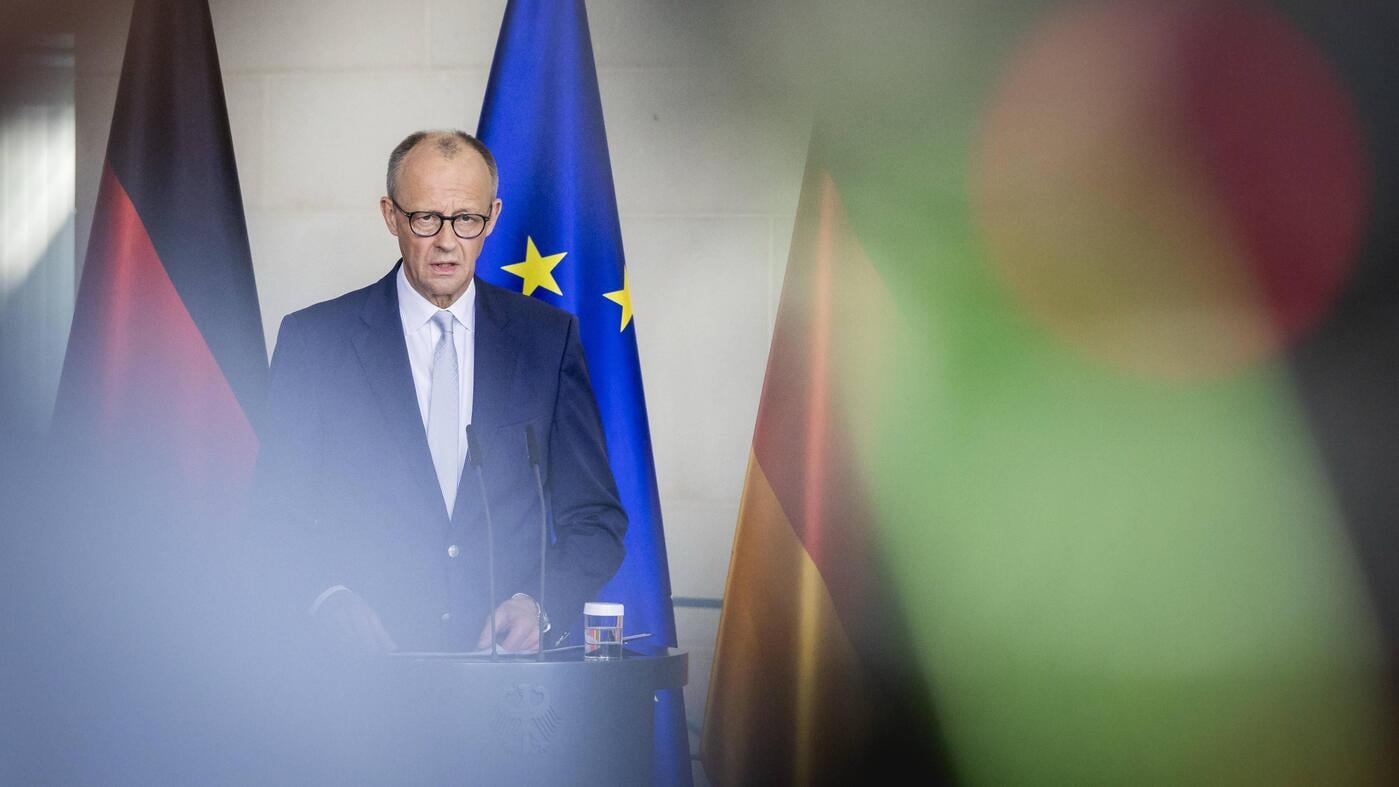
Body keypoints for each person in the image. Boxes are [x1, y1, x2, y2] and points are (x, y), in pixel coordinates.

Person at [254, 129, 626, 655]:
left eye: (467, 219)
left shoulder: (547, 340)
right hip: (360, 680)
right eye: (426, 218)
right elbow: (273, 513)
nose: (448, 241)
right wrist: (327, 598)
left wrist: (537, 604)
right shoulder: (315, 342)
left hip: (505, 680)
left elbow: (595, 520)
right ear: (391, 215)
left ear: (492, 217)